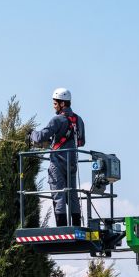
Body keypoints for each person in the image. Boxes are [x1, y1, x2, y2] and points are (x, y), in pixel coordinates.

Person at [30, 87, 86, 226]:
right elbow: (81, 142)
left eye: (55, 103)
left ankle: (62, 227)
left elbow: (40, 136)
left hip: (58, 163)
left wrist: (30, 133)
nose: (53, 106)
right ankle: (76, 225)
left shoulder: (57, 120)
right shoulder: (78, 120)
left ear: (62, 104)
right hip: (72, 162)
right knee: (73, 195)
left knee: (59, 194)